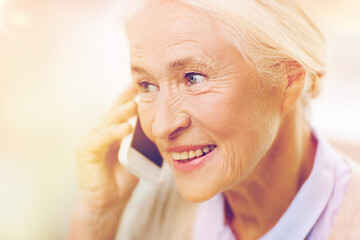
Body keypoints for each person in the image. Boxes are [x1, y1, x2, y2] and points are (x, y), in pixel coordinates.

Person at [68, 0, 360, 239]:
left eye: (193, 78)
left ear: (288, 81)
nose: (160, 126)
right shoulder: (154, 214)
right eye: (147, 85)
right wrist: (99, 215)